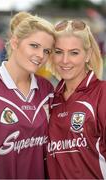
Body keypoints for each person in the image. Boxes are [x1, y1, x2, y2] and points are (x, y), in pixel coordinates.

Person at [0, 11, 55, 179]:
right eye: (34, 46)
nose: (40, 56)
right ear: (15, 42)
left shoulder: (47, 90)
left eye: (47, 51)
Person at [47, 19, 106, 179]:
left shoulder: (102, 92)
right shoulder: (50, 99)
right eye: (58, 52)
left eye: (74, 52)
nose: (65, 60)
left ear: (87, 55)